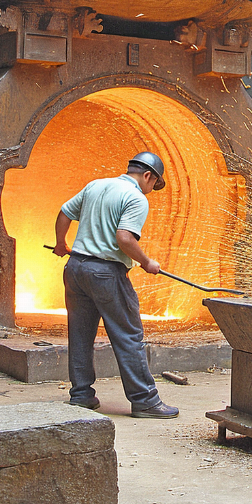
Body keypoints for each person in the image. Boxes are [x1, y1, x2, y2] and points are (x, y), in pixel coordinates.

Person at [52, 151, 179, 419]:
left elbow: (64, 212)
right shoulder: (135, 197)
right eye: (153, 185)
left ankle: (82, 395)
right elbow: (124, 237)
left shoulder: (96, 185)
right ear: (148, 175)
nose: (151, 191)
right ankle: (145, 401)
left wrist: (61, 243)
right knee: (128, 336)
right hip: (106, 274)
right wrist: (146, 262)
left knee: (80, 334)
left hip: (75, 269)